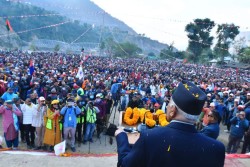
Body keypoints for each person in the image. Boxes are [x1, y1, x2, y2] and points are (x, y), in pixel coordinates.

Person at [115, 81, 225, 167]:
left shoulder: (149, 138)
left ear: (173, 110)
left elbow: (125, 164)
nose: (167, 107)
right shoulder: (217, 148)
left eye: (169, 104)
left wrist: (121, 137)